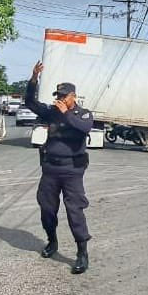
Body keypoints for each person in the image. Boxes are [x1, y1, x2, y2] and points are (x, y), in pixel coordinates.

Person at [25, 61, 94, 274]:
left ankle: (82, 253)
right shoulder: (52, 112)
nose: (60, 99)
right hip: (50, 169)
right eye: (58, 96)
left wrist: (66, 114)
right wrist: (34, 79)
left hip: (72, 170)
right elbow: (30, 102)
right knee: (47, 208)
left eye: (64, 96)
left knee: (75, 211)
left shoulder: (83, 114)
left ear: (73, 96)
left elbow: (83, 128)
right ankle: (51, 241)